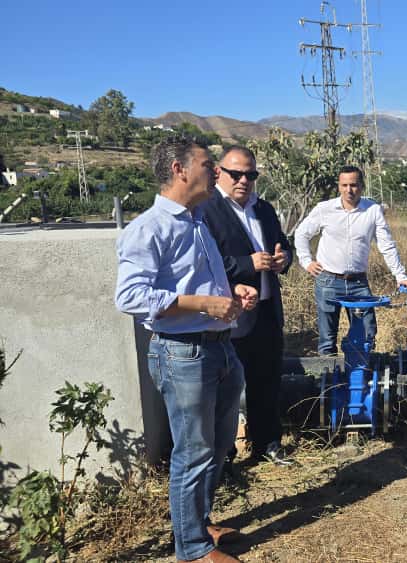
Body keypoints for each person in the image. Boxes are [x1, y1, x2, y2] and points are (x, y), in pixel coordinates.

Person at [115, 138, 258, 563]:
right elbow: (129, 296)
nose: (216, 172)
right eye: (208, 164)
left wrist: (233, 292)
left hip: (219, 348)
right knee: (193, 452)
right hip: (183, 354)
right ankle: (192, 549)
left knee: (216, 446)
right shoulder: (148, 228)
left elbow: (200, 285)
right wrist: (203, 304)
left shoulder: (198, 222)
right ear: (179, 169)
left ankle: (200, 522)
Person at [202, 146, 293, 466]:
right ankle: (224, 454)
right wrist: (247, 264)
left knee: (267, 380)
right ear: (218, 173)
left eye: (250, 175)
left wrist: (284, 259)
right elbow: (205, 262)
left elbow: (284, 244)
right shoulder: (206, 210)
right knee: (227, 389)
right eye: (236, 174)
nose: (244, 180)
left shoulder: (264, 209)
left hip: (267, 311)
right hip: (231, 314)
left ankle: (267, 442)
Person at [293, 166, 407, 355]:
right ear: (339, 186)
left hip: (358, 283)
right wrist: (307, 261)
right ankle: (330, 372)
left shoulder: (373, 210)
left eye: (354, 185)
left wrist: (400, 276)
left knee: (367, 334)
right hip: (328, 281)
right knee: (327, 339)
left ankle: (362, 369)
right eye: (344, 185)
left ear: (362, 186)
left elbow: (386, 245)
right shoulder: (324, 209)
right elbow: (301, 233)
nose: (349, 190)